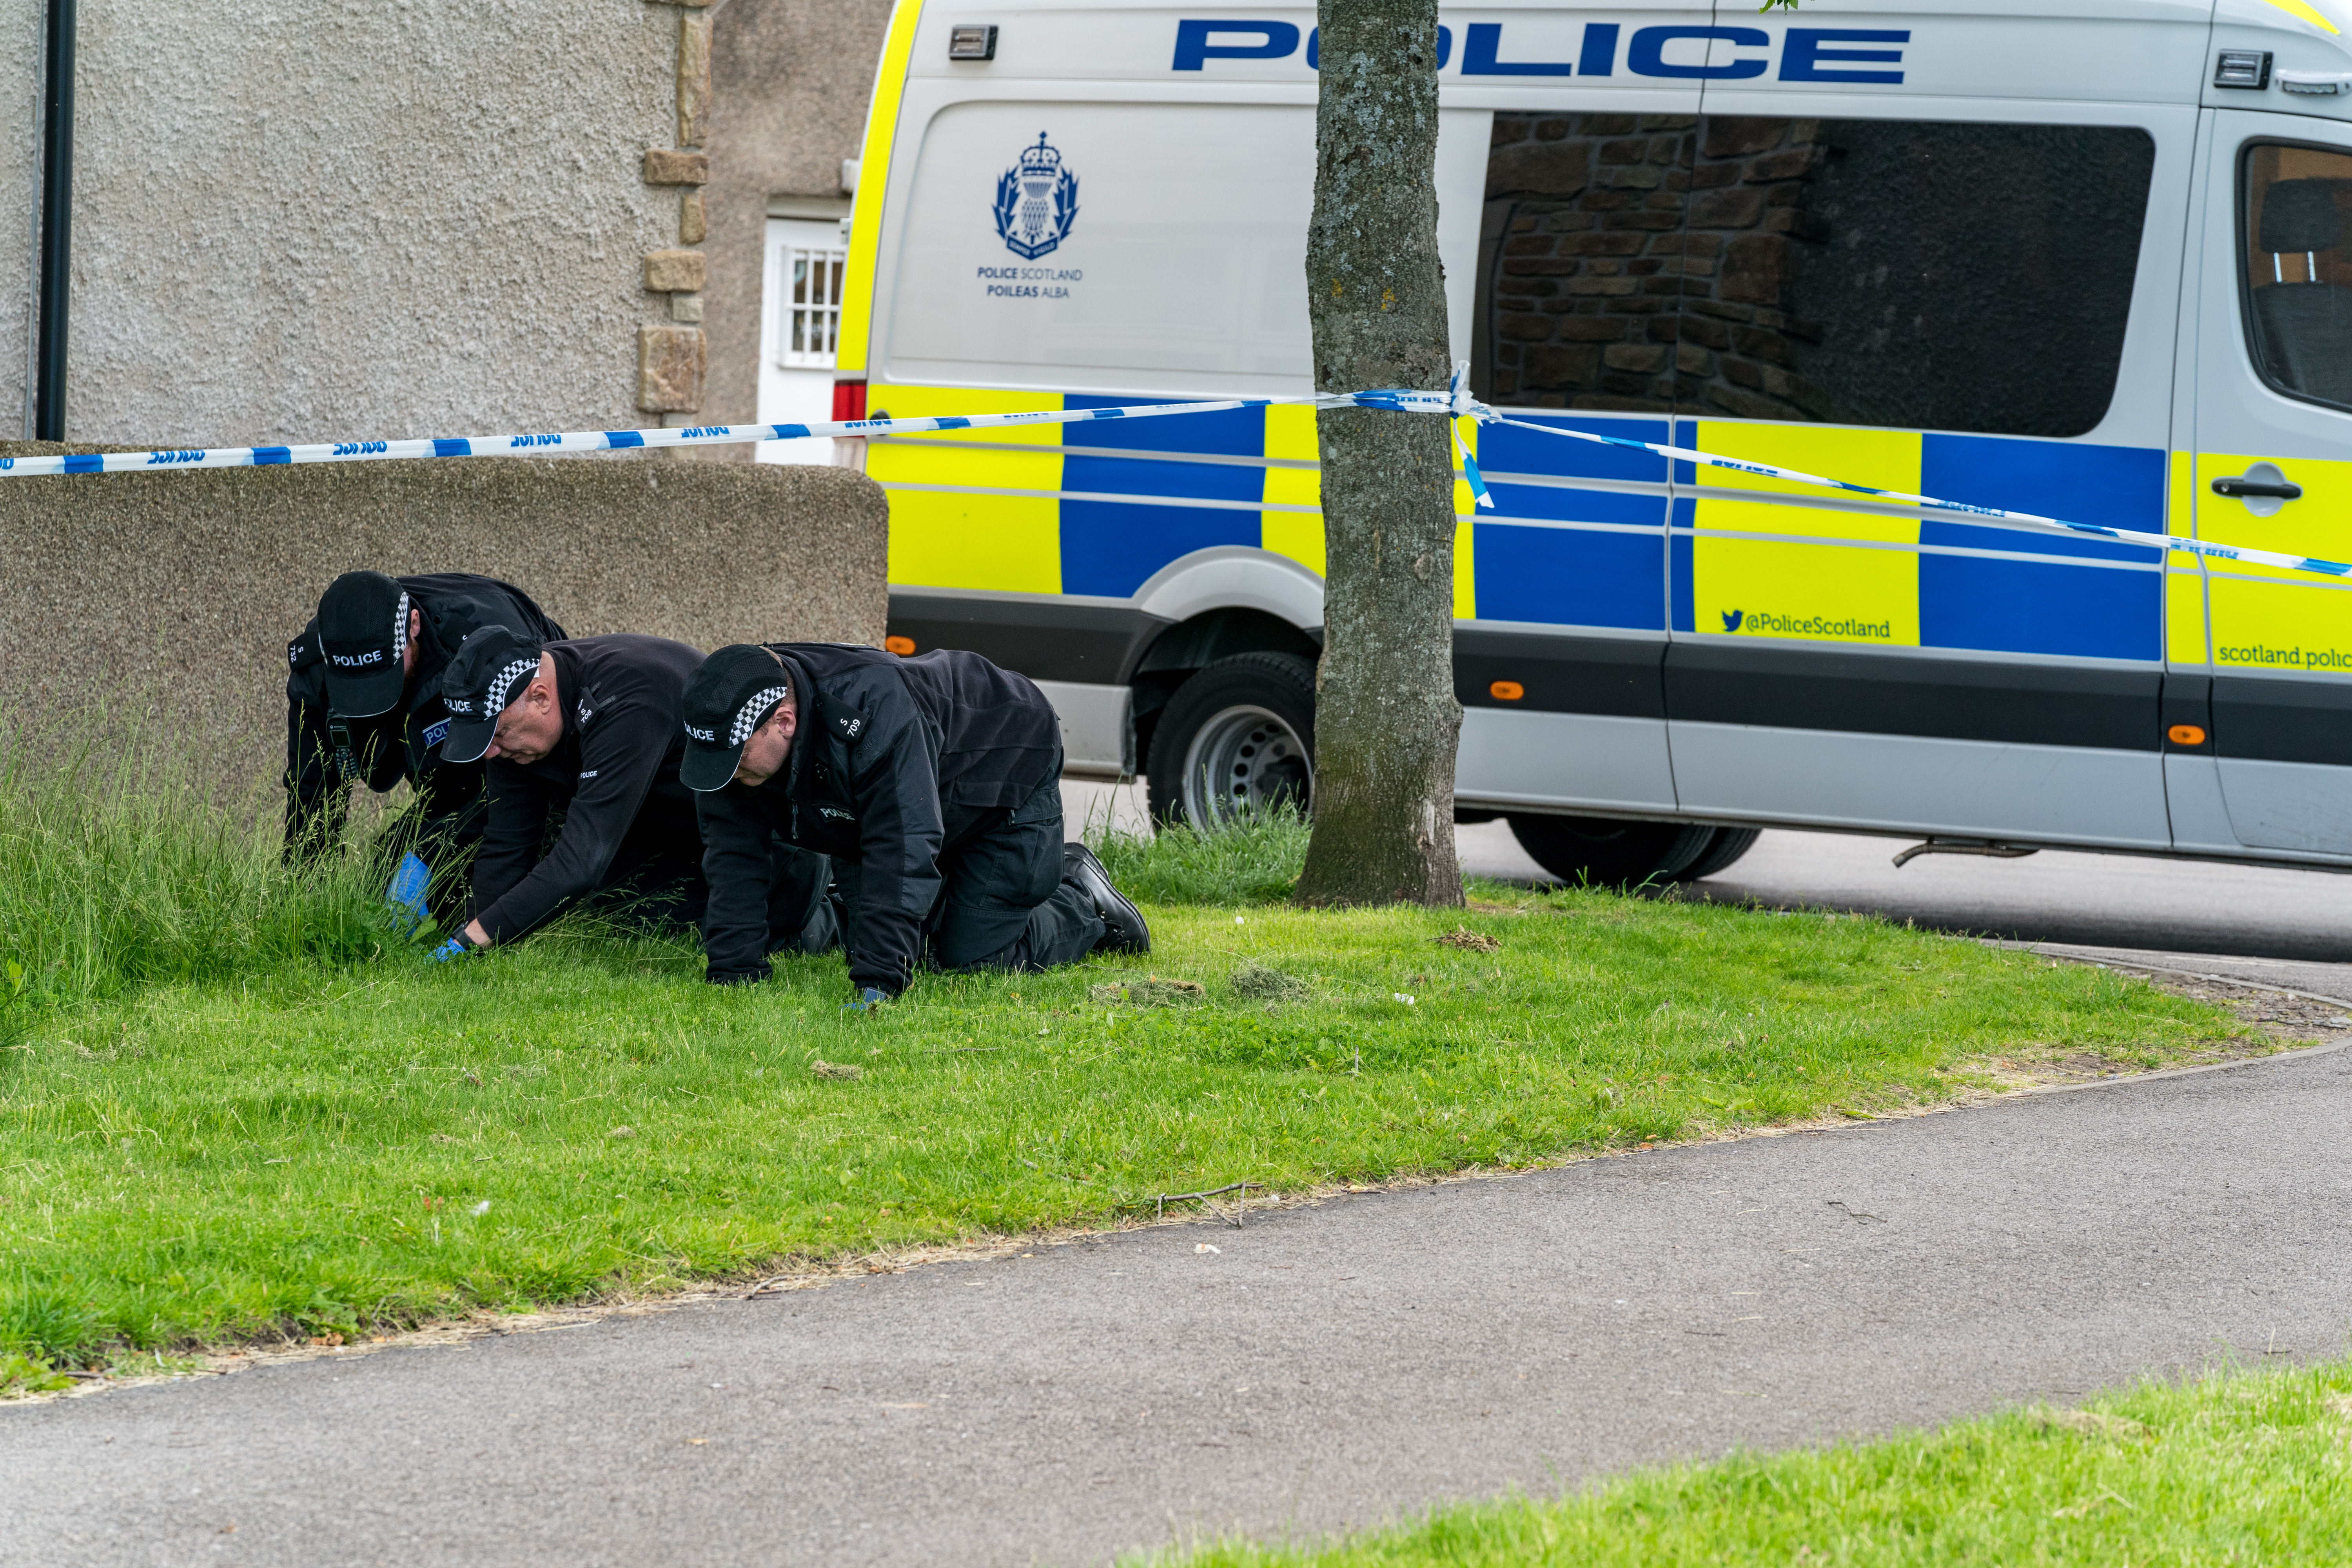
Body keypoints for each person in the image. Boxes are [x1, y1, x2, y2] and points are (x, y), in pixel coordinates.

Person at [677, 640, 1149, 1003]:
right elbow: (733, 854)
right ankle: (953, 905)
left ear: (785, 722)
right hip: (905, 800)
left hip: (1005, 778)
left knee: (971, 961)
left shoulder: (870, 712)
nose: (725, 771)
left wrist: (878, 986)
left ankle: (1085, 898)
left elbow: (902, 843)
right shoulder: (736, 731)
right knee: (894, 945)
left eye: (735, 757)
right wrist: (734, 972)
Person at [283, 570, 565, 929]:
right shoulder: (320, 662)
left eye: (383, 675)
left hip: (534, 771)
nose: (371, 699)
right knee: (381, 873)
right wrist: (303, 912)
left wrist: (431, 854)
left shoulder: (485, 641)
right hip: (443, 777)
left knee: (447, 875)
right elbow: (311, 793)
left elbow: (532, 780)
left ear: (413, 624)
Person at [428, 625, 719, 959]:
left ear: (541, 697)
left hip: (737, 837)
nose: (490, 754)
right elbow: (509, 843)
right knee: (637, 918)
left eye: (498, 734)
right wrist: (470, 935)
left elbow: (583, 861)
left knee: (722, 931)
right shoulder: (516, 715)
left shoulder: (627, 700)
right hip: (654, 831)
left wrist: (473, 941)